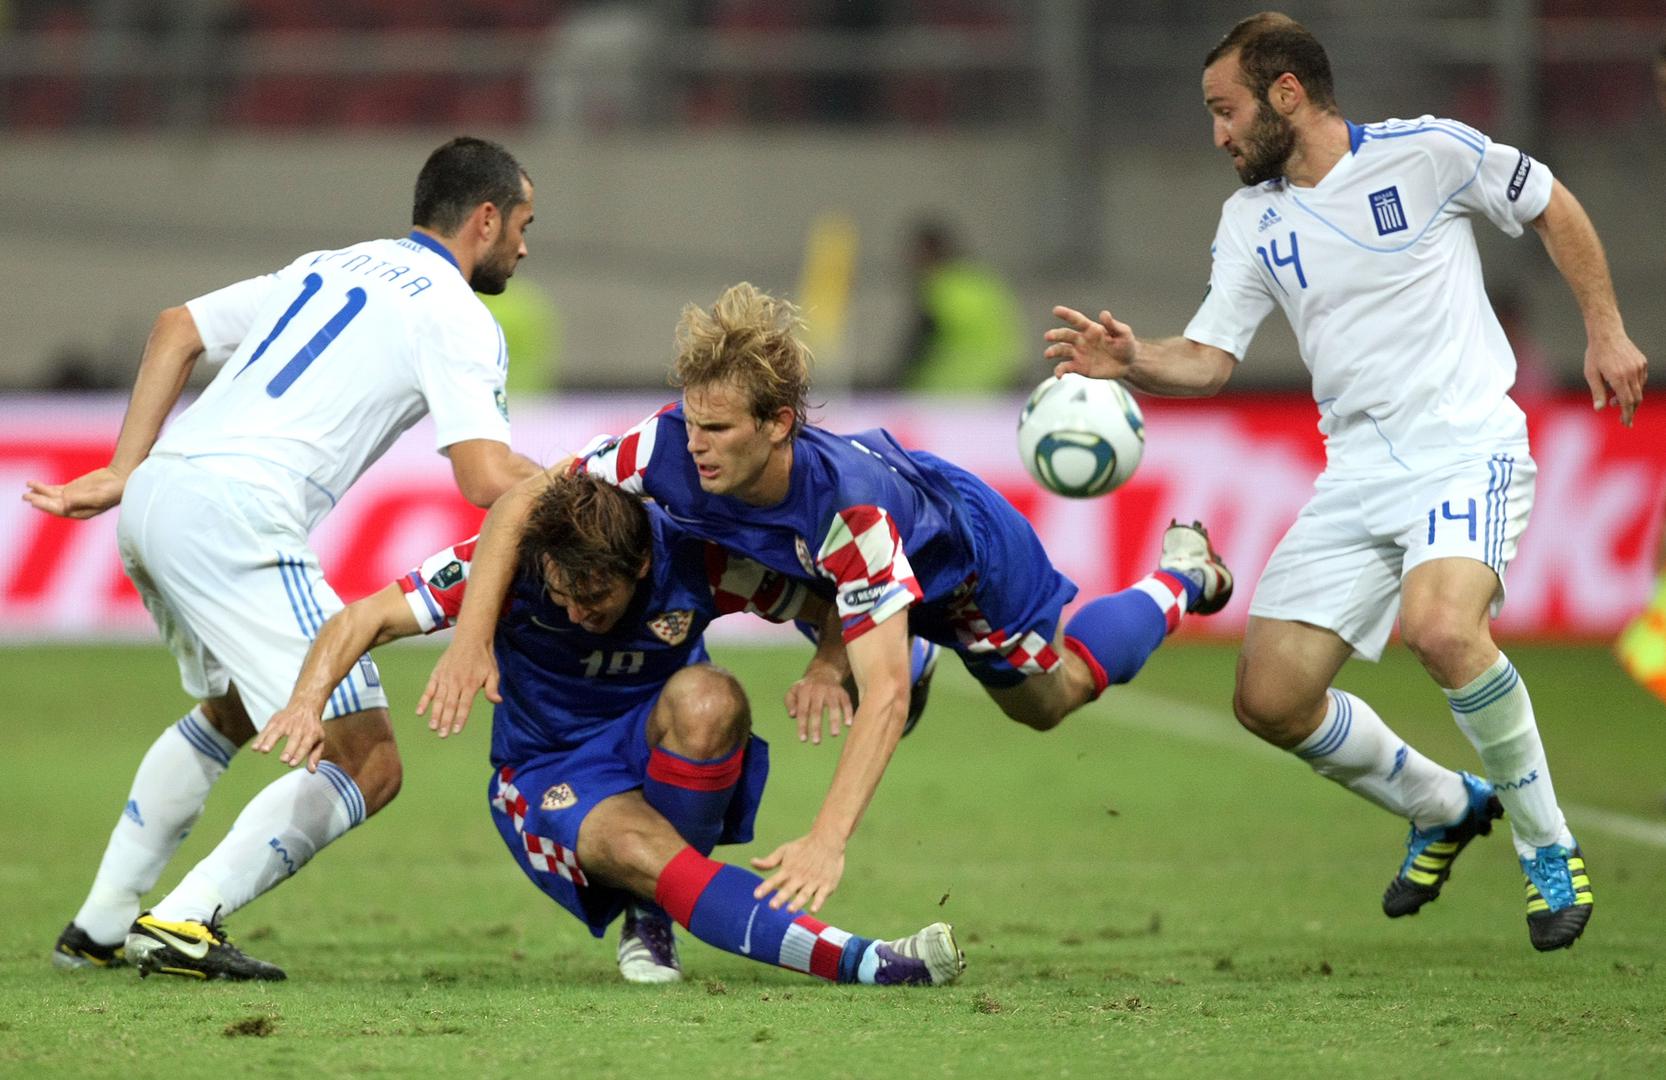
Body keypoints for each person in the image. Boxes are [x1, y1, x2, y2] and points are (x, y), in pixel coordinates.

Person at [1045, 13, 1648, 952]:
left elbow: (1549, 203)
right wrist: (1132, 362)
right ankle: (1443, 805)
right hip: (1356, 470)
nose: (1218, 134)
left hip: (1465, 446)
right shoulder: (1252, 220)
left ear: (1286, 94)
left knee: (1442, 628)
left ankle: (1548, 846)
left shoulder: (1430, 153)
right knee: (1270, 699)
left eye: (1226, 110)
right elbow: (1208, 358)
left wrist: (1605, 330)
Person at [420, 281, 1236, 917]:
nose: (696, 446)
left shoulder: (853, 517)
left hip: (966, 568)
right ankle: (892, 637)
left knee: (1048, 700)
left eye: (719, 430)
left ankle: (1180, 578)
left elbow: (883, 699)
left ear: (778, 424)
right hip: (838, 577)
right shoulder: (664, 446)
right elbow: (525, 500)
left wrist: (826, 840)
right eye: (693, 423)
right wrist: (473, 638)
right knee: (847, 630)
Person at [27, 136, 546, 980]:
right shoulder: (456, 313)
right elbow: (487, 478)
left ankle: (98, 927)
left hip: (158, 495)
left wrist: (123, 469)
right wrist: (596, 484)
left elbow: (176, 328)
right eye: (523, 225)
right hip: (236, 514)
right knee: (368, 760)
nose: (524, 247)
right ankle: (182, 921)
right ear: (485, 219)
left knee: (233, 709)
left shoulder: (330, 263)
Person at [252, 473, 965, 987]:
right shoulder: (505, 567)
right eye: (561, 594)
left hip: (654, 737)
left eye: (594, 596)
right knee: (634, 849)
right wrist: (306, 704)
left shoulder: (700, 560)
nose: (574, 613)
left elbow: (836, 599)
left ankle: (653, 907)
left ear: (642, 564)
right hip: (549, 768)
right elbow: (361, 618)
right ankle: (867, 962)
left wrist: (828, 665)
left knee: (710, 699)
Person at [890, 217, 1027, 393]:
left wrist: (894, 380)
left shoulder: (938, 287)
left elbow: (919, 344)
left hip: (946, 389)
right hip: (995, 385)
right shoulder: (985, 281)